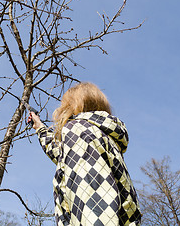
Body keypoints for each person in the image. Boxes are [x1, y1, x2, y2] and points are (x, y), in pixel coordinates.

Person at [28, 82, 142, 226]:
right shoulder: (101, 135)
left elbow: (95, 199)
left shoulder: (78, 131)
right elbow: (63, 155)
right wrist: (39, 127)